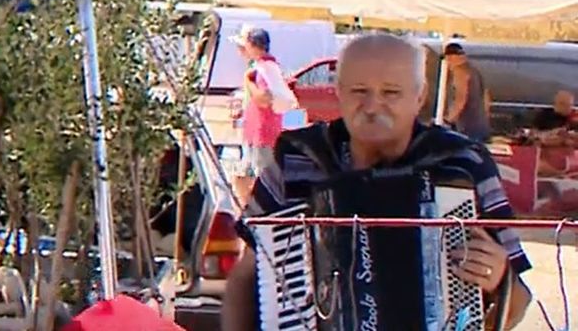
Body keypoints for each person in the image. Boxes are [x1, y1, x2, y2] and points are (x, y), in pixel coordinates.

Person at [220, 34, 532, 331]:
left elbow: (519, 299)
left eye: (390, 92)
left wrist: (500, 276)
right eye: (359, 91)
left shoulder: (462, 163)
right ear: (339, 91)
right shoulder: (298, 159)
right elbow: (246, 275)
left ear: (420, 96)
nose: (372, 106)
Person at [228, 25, 297, 205]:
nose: (241, 50)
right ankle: (247, 205)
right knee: (246, 173)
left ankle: (270, 209)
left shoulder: (264, 69)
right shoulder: (261, 68)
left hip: (263, 132)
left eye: (244, 45)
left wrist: (248, 82)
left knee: (264, 175)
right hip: (255, 131)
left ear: (252, 45)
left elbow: (265, 99)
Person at [443, 42, 492, 142]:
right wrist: (484, 118)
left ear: (451, 57)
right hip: (481, 126)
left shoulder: (460, 71)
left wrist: (448, 120)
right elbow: (486, 97)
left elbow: (461, 99)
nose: (448, 63)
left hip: (466, 127)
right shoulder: (474, 71)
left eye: (448, 59)